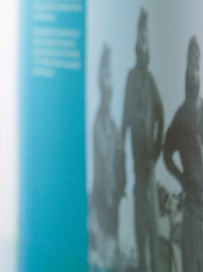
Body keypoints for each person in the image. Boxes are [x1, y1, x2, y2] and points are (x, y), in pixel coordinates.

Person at [163, 36, 203, 272]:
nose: (193, 72)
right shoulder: (180, 116)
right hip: (189, 213)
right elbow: (166, 154)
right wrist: (182, 179)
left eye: (197, 66)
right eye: (190, 64)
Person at [120, 9, 164, 272]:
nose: (143, 47)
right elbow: (125, 118)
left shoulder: (150, 80)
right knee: (140, 226)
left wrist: (156, 150)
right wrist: (121, 155)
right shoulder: (131, 78)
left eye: (146, 42)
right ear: (136, 47)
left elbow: (161, 113)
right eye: (140, 42)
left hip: (149, 165)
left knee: (153, 225)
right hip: (137, 166)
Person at [89, 45, 125, 269]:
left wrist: (121, 187)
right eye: (104, 75)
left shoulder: (112, 124)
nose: (107, 81)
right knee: (104, 258)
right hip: (103, 203)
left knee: (113, 257)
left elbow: (120, 161)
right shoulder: (99, 123)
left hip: (114, 204)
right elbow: (102, 166)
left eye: (110, 75)